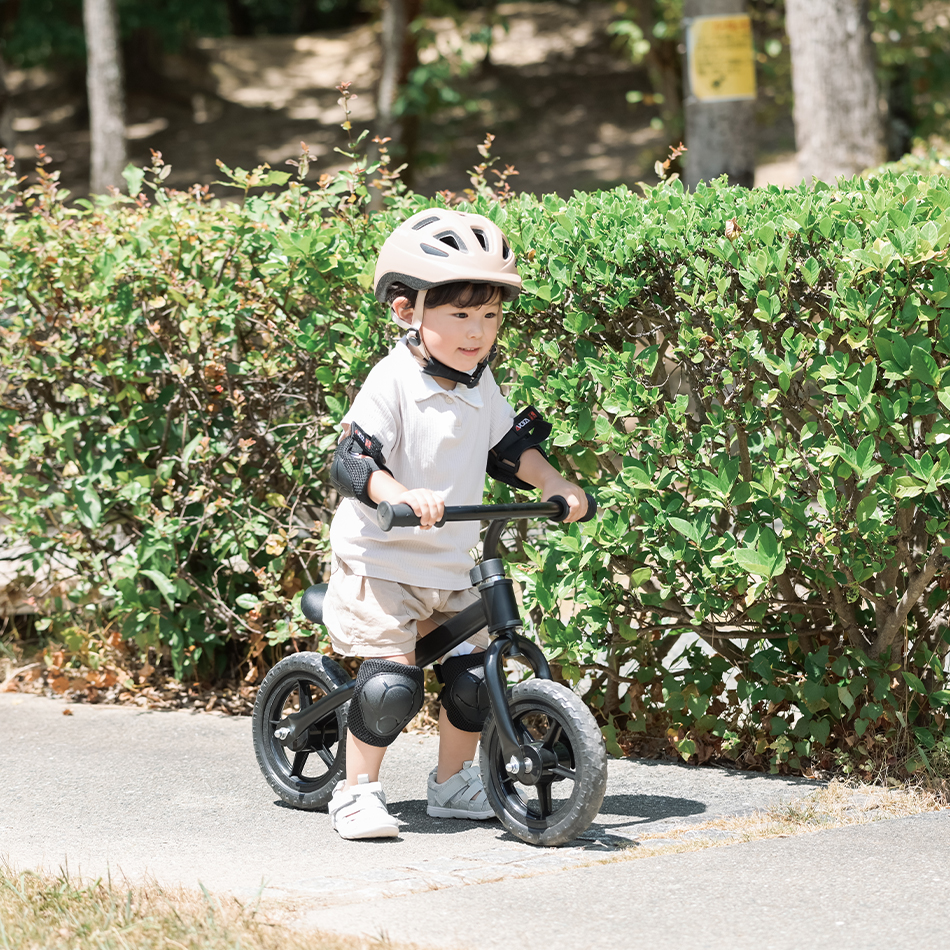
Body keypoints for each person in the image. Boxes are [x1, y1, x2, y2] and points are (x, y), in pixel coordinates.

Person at [323, 208, 589, 839]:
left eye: (490, 316)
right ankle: (355, 792)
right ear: (406, 310)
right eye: (461, 315)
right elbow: (353, 459)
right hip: (380, 562)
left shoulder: (479, 383)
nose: (478, 332)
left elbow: (507, 449)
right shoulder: (391, 381)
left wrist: (552, 483)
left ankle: (452, 783)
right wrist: (399, 494)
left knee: (474, 678)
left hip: (448, 565)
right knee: (393, 686)